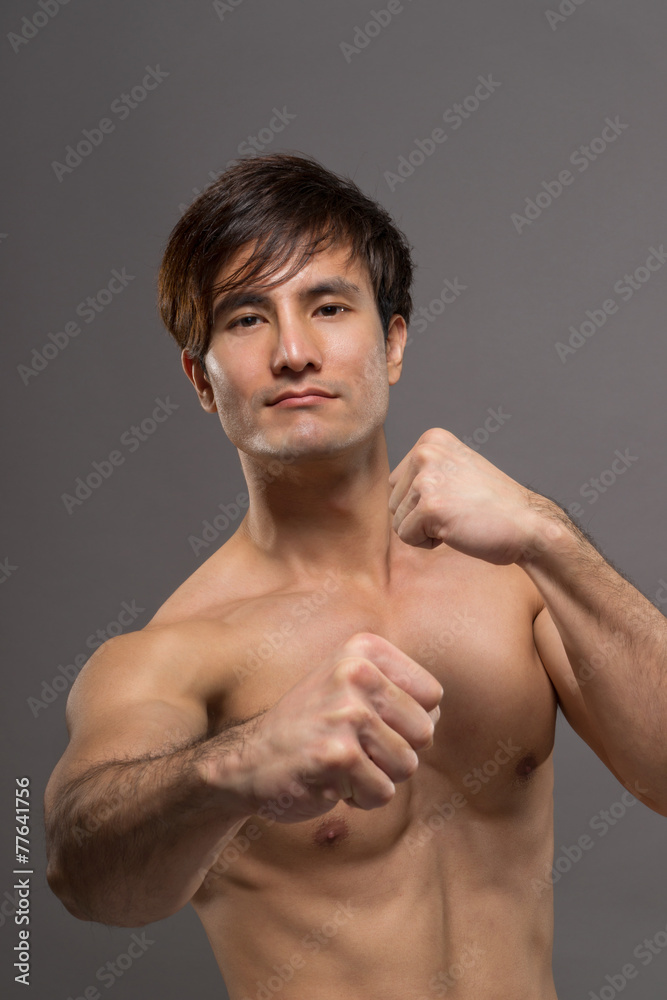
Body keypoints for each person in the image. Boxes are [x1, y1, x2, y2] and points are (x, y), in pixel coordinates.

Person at [44, 151, 667, 1000]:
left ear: (393, 341)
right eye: (246, 319)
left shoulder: (514, 577)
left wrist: (548, 535)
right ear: (201, 380)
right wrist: (246, 762)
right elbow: (79, 874)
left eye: (329, 307)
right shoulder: (176, 651)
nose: (294, 352)